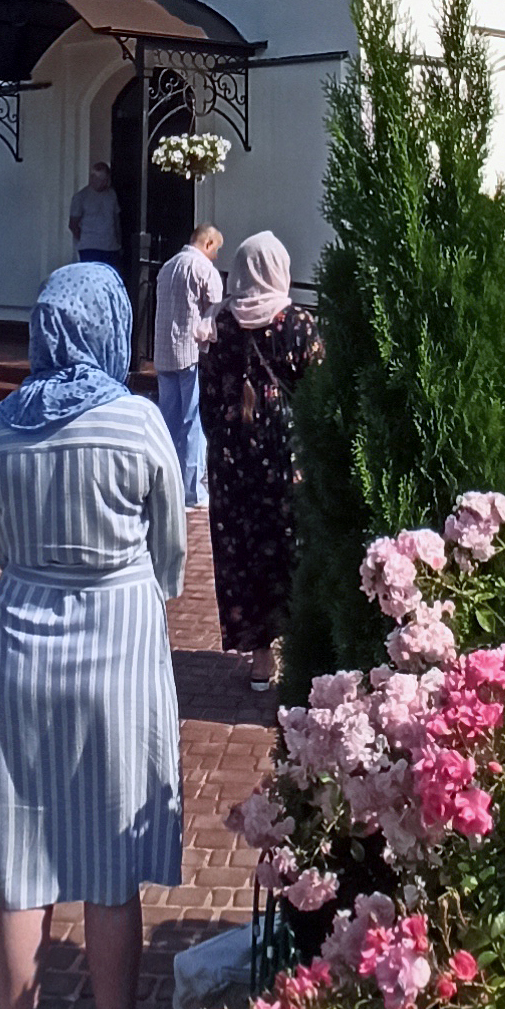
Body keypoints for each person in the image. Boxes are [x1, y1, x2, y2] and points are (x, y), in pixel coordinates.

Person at [0, 262, 185, 1009]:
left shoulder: (0, 427)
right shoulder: (137, 421)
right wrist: (130, 583)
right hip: (118, 642)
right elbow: (169, 547)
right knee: (109, 868)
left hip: (20, 645)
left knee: (22, 868)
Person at [197, 232, 322, 687]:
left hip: (233, 462)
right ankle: (303, 646)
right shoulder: (298, 325)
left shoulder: (219, 326)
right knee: (293, 549)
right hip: (288, 461)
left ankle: (261, 657)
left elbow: (207, 398)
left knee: (243, 551)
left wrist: (222, 445)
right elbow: (318, 395)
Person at [153, 225, 224, 506]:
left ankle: (165, 485)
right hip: (193, 352)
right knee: (193, 420)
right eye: (216, 249)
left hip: (164, 351)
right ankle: (192, 490)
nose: (216, 256)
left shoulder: (167, 267)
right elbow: (214, 313)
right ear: (207, 243)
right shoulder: (203, 269)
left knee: (168, 421)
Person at [67, 161, 123, 294]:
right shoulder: (81, 197)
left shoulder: (111, 195)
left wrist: (119, 242)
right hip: (89, 247)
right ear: (92, 178)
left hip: (110, 247)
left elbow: (116, 219)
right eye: (98, 179)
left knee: (109, 282)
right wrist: (84, 239)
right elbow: (73, 223)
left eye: (104, 179)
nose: (102, 183)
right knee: (91, 282)